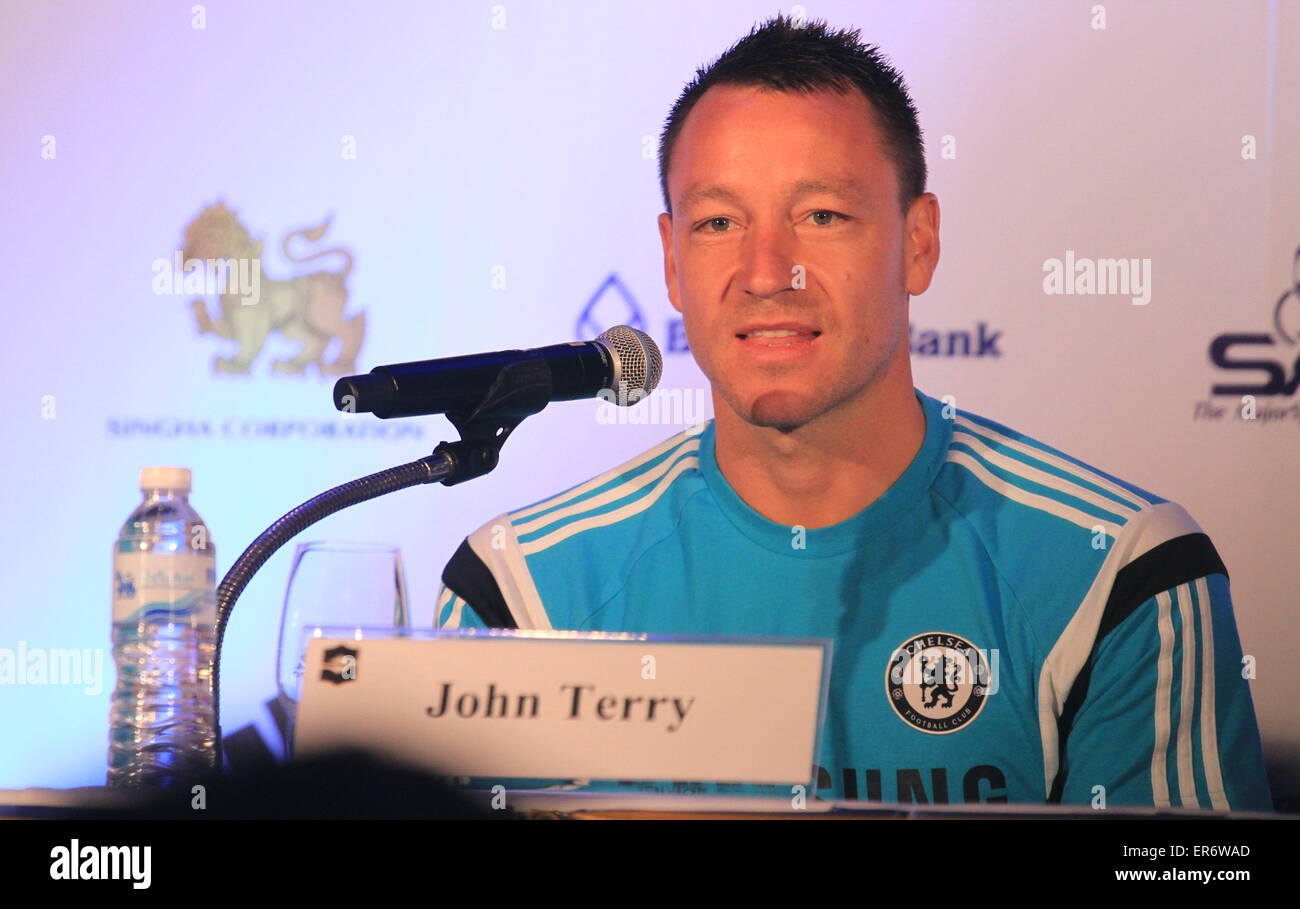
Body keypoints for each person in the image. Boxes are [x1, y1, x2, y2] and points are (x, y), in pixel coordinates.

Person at [436, 15, 1272, 809]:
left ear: (919, 243)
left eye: (822, 216)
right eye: (719, 221)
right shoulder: (517, 594)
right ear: (670, 259)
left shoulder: (1121, 572)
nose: (768, 271)